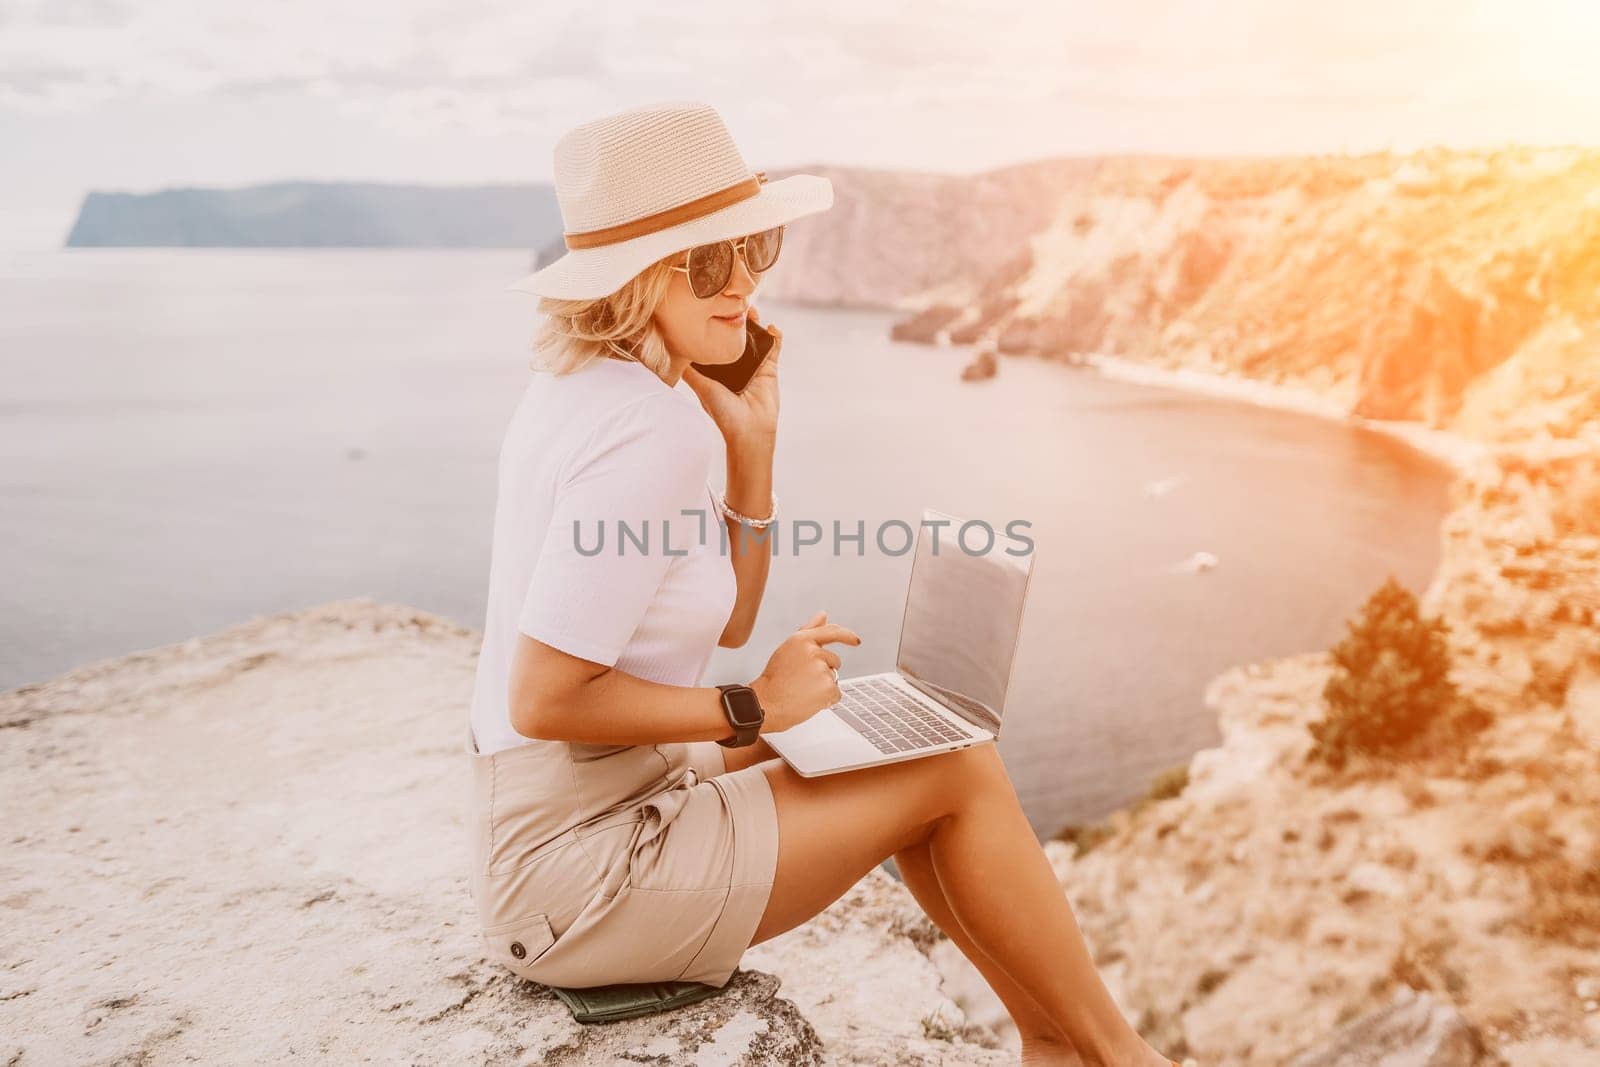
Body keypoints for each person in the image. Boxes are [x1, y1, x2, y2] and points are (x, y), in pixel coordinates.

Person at [466, 100, 1182, 1067]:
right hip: (585, 869)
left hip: (585, 814)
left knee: (901, 744)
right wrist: (753, 707)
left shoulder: (594, 392)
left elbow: (730, 619)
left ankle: (1059, 1043)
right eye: (712, 262)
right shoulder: (648, 428)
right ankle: (1106, 1054)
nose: (747, 285)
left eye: (755, 245)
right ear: (637, 279)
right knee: (952, 765)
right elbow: (545, 696)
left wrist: (751, 452)